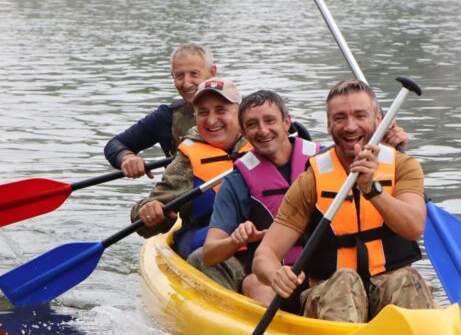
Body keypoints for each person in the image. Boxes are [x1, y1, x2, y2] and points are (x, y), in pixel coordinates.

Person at [252, 79, 436, 323]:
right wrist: (276, 274)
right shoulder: (311, 180)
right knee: (345, 281)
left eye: (360, 115)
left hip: (388, 289)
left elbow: (413, 227)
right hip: (332, 294)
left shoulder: (404, 167)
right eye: (340, 118)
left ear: (377, 120)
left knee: (408, 279)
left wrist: (372, 189)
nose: (350, 127)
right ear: (329, 125)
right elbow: (265, 254)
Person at [201, 90, 321, 305]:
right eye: (252, 124)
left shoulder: (324, 162)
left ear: (287, 123)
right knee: (255, 284)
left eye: (270, 120)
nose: (263, 130)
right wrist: (236, 240)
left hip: (325, 269)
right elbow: (209, 254)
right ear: (244, 134)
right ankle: (275, 334)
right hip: (271, 277)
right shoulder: (236, 182)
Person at [131, 78, 248, 291]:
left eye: (221, 110)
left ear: (240, 113)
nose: (212, 120)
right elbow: (145, 217)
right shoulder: (187, 161)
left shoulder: (263, 143)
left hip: (264, 246)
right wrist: (147, 211)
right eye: (203, 112)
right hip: (213, 252)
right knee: (203, 258)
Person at [105, 43, 217, 178]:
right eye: (180, 76)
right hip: (179, 193)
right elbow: (114, 144)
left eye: (194, 74)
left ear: (212, 73)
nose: (187, 83)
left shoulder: (239, 111)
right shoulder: (165, 117)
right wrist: (127, 158)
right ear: (172, 77)